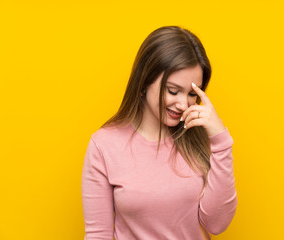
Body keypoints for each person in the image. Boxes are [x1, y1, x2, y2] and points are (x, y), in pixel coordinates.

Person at [81, 26, 238, 240]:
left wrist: (221, 140)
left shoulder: (201, 140)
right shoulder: (104, 146)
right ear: (145, 80)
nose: (183, 104)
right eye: (173, 90)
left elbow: (217, 224)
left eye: (192, 94)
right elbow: (99, 235)